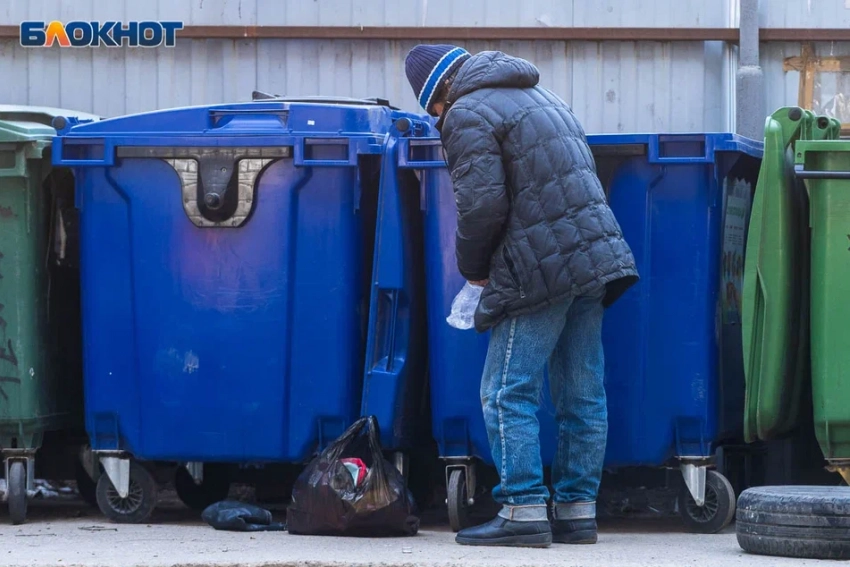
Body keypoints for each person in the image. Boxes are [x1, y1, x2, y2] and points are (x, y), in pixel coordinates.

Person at [404, 45, 639, 548]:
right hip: (593, 257)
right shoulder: (540, 95)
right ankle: (577, 512)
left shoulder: (466, 112)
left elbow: (483, 205)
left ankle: (523, 510)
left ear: (437, 97)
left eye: (432, 113)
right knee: (581, 392)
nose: (437, 121)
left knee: (507, 389)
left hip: (540, 267)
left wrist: (474, 271)